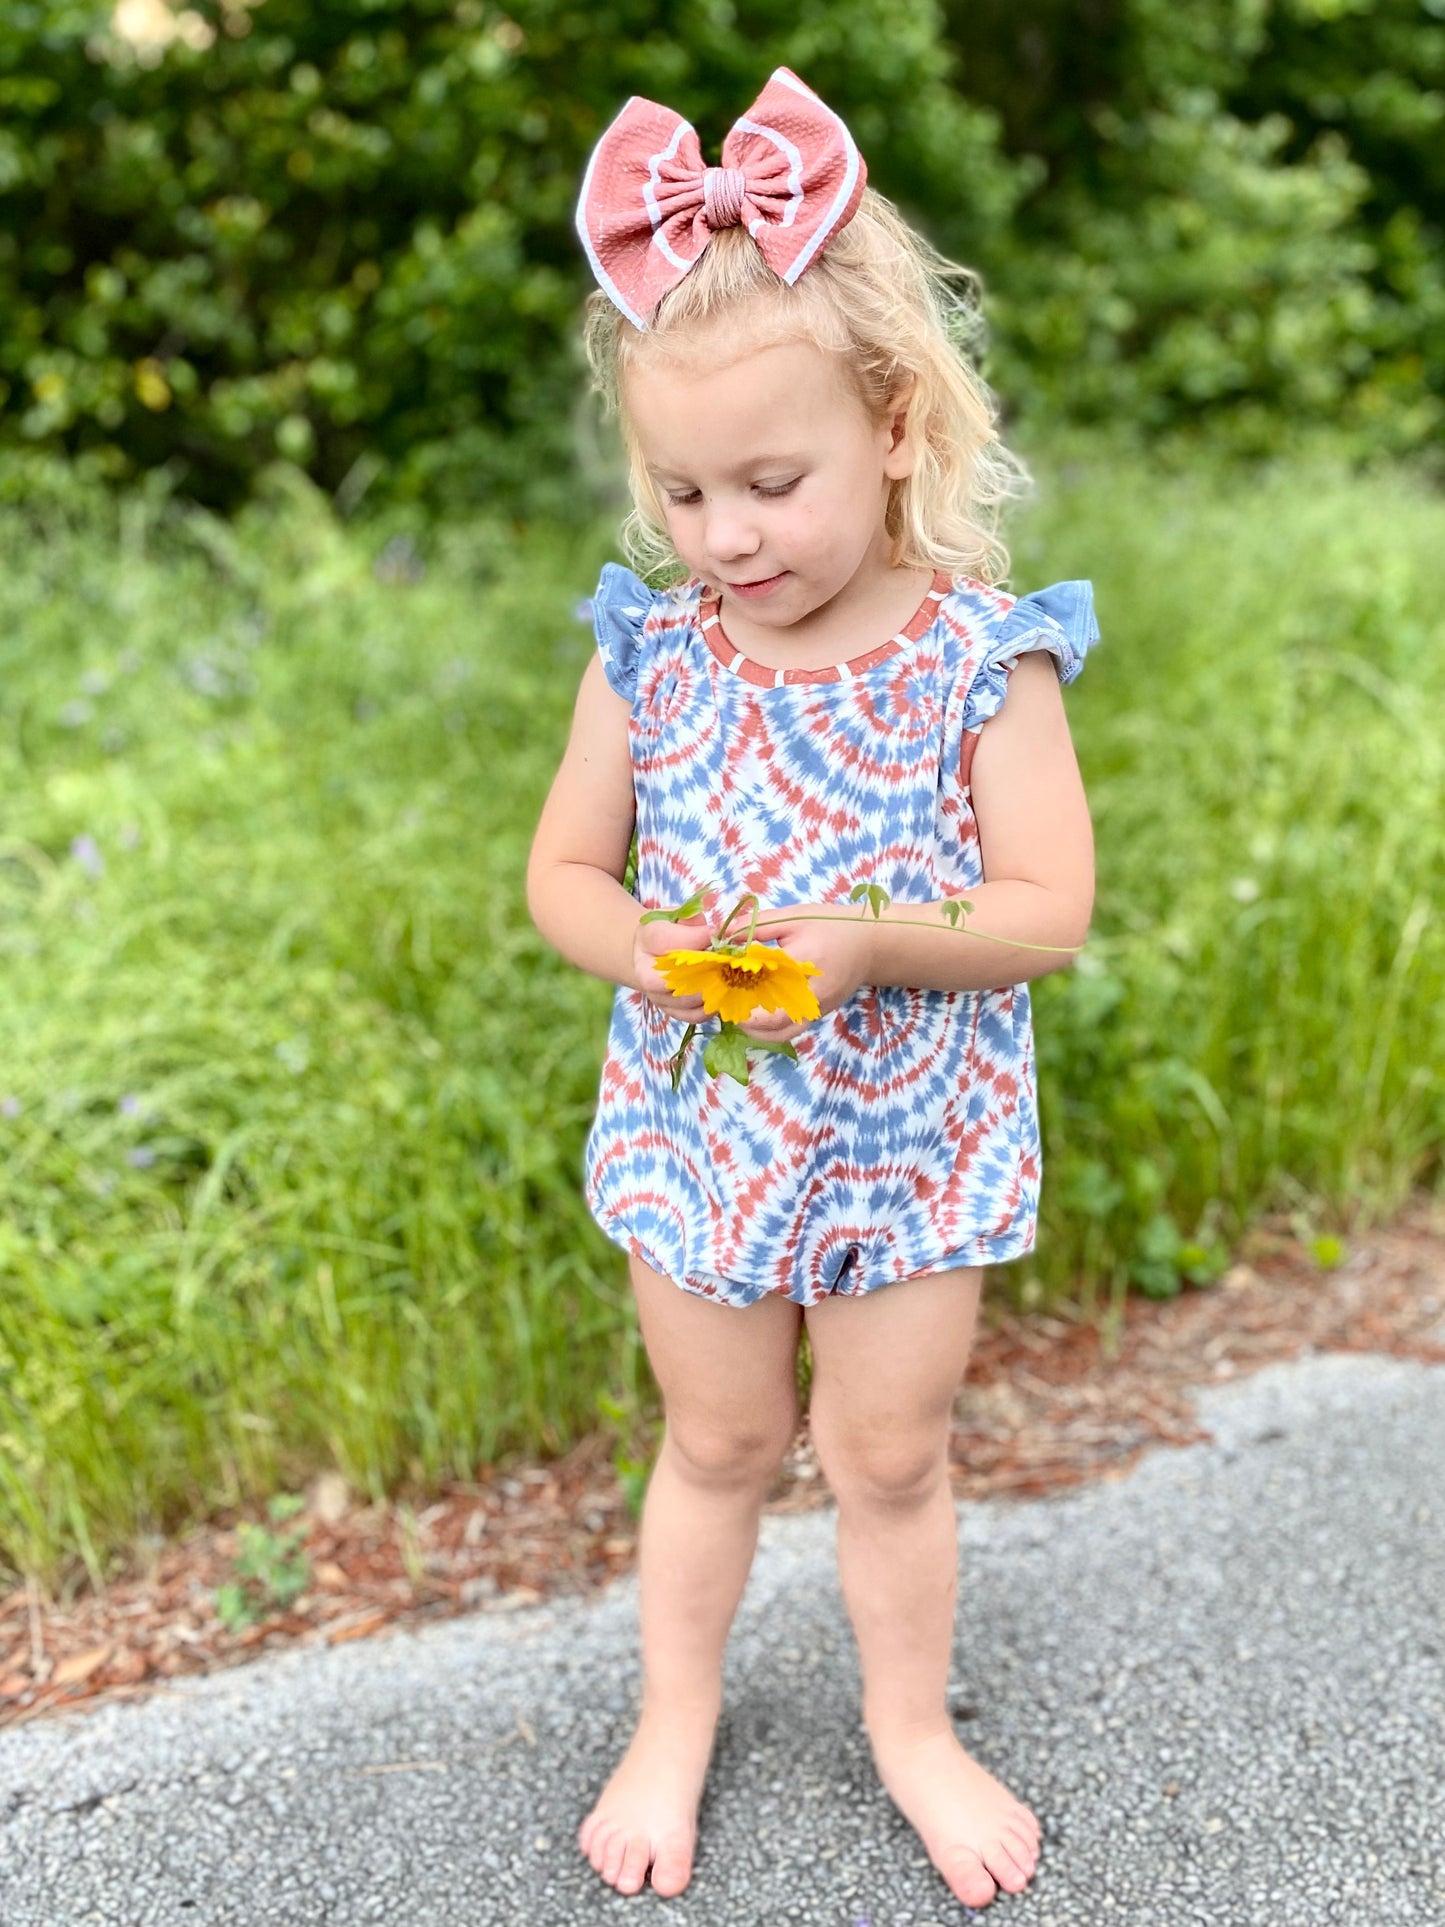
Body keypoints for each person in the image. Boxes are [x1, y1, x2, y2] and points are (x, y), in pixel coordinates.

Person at [527, 67, 1098, 1912]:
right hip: (704, 1132)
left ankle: (909, 1730)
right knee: (714, 1440)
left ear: (897, 430)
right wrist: (654, 956)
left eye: (771, 484)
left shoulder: (977, 664)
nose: (723, 535)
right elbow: (562, 876)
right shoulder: (652, 655)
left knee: (886, 1452)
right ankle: (673, 1714)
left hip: (906, 1139)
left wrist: (862, 942)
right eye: (682, 490)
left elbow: (1047, 913)